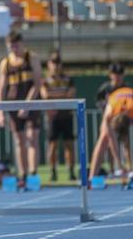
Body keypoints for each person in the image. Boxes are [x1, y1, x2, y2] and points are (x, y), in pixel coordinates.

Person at [0, 31, 43, 186]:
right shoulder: (5, 63)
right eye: (11, 47)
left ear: (21, 43)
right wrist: (0, 112)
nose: (14, 49)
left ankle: (33, 173)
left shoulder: (32, 58)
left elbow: (37, 84)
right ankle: (22, 175)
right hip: (13, 104)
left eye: (16, 46)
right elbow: (1, 89)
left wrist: (27, 105)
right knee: (19, 140)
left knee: (32, 137)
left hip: (32, 102)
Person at [89, 85, 133, 180]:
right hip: (115, 100)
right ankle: (92, 177)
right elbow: (111, 140)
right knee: (103, 139)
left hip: (132, 98)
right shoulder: (109, 113)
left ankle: (92, 176)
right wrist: (119, 164)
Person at [41, 51, 76, 182]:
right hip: (52, 117)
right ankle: (53, 172)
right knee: (52, 145)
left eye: (58, 63)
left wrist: (54, 99)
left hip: (66, 116)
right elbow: (45, 96)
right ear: (49, 64)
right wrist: (55, 101)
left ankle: (71, 172)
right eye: (53, 63)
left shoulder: (68, 79)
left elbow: (70, 95)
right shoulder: (45, 80)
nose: (55, 66)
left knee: (69, 145)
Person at [95, 62, 130, 174]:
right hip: (109, 120)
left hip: (122, 120)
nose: (117, 77)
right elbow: (99, 102)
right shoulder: (105, 88)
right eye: (115, 74)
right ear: (110, 75)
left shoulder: (126, 88)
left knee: (126, 142)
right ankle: (112, 169)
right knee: (109, 144)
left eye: (120, 74)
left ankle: (130, 169)